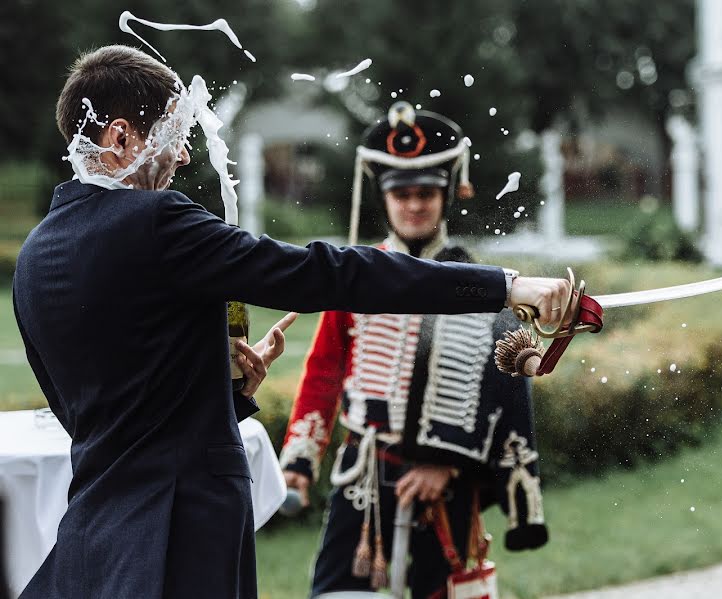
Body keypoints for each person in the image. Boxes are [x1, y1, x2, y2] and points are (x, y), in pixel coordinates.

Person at [13, 46, 570, 599]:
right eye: (171, 134)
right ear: (119, 138)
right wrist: (504, 286)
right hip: (182, 532)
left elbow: (109, 415)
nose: (182, 156)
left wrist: (221, 388)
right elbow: (323, 273)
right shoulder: (156, 221)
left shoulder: (35, 256)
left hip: (98, 534)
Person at [280, 103, 549, 599]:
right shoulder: (355, 277)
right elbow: (324, 373)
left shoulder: (480, 285)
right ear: (385, 201)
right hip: (364, 474)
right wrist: (299, 462)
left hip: (446, 485)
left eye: (425, 193)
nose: (414, 206)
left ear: (447, 196)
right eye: (401, 195)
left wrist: (446, 462)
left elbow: (502, 390)